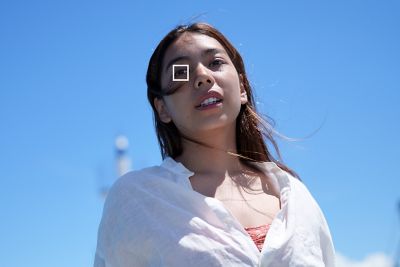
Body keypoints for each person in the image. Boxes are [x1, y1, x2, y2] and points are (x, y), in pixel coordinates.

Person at [94, 22, 335, 267]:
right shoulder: (136, 199)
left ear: (241, 87)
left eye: (215, 63)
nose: (202, 76)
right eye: (180, 72)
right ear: (162, 108)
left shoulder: (297, 197)